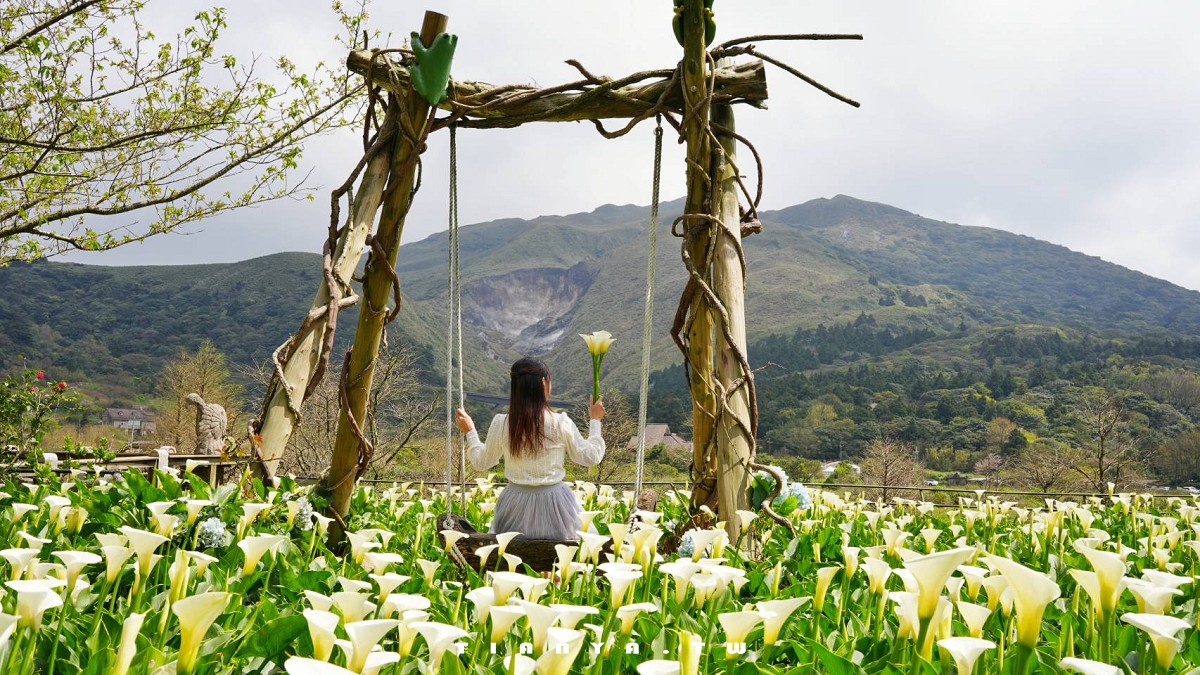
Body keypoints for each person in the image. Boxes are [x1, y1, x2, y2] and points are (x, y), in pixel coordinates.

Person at [455, 357, 606, 540]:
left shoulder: (502, 423)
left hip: (514, 505)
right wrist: (595, 420)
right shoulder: (560, 422)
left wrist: (470, 431)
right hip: (557, 505)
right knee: (563, 560)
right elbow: (591, 457)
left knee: (512, 558)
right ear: (545, 382)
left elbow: (481, 462)